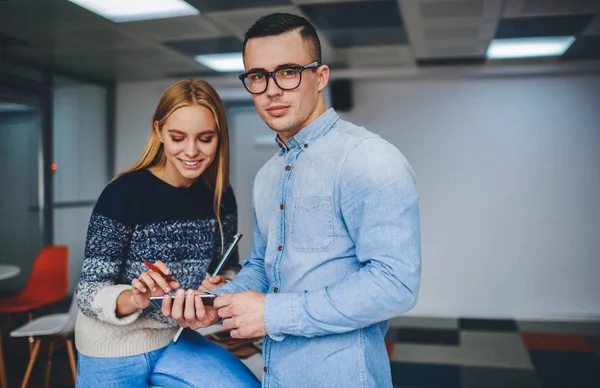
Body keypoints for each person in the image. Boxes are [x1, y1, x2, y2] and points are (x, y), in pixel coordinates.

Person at [169, 13, 422, 388]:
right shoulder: (268, 176)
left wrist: (273, 314)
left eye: (287, 72)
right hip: (279, 376)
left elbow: (395, 284)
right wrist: (215, 305)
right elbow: (262, 266)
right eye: (257, 76)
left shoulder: (368, 159)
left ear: (320, 77)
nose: (271, 90)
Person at [74, 79, 260, 387]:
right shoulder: (123, 193)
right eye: (177, 137)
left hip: (174, 339)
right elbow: (88, 292)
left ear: (219, 137)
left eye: (205, 138)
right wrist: (135, 298)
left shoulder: (220, 195)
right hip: (110, 346)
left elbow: (229, 266)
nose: (191, 151)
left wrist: (221, 285)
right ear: (159, 131)